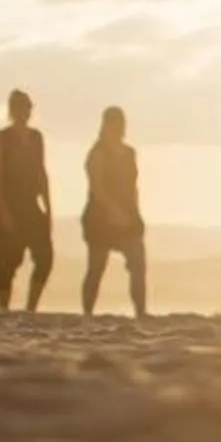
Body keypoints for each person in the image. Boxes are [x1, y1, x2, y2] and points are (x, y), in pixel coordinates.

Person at [0, 89, 55, 312]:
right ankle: (3, 309)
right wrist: (4, 213)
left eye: (27, 107)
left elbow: (41, 172)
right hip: (5, 205)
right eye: (20, 107)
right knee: (6, 260)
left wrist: (48, 207)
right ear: (12, 110)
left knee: (45, 256)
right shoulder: (1, 139)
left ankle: (31, 308)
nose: (25, 112)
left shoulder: (36, 138)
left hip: (30, 204)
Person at [81, 105, 148, 317]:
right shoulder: (97, 153)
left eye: (121, 123)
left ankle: (141, 312)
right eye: (114, 124)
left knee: (138, 262)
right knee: (96, 268)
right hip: (99, 218)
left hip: (128, 216)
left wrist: (134, 213)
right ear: (106, 125)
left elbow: (133, 185)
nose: (118, 128)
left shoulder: (129, 153)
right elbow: (97, 187)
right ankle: (87, 314)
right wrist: (113, 211)